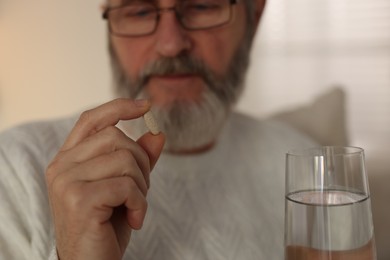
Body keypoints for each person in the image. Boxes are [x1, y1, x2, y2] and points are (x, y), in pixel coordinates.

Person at [0, 0, 316, 259]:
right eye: (139, 11)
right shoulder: (14, 169)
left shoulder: (306, 166)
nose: (170, 45)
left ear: (254, 17)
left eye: (202, 7)